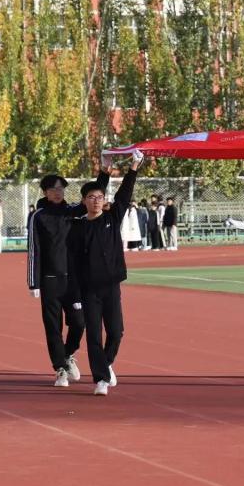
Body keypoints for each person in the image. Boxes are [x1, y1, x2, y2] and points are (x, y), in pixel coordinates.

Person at [28, 164, 111, 388]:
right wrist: (33, 282)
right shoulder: (38, 216)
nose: (58, 192)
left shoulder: (72, 211)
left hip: (74, 280)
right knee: (53, 327)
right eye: (53, 189)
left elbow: (94, 194)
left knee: (79, 322)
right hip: (49, 280)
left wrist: (104, 174)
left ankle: (67, 354)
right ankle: (60, 369)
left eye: (61, 189)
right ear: (45, 192)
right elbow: (34, 250)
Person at [69, 150, 144, 396]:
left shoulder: (113, 217)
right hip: (89, 290)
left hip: (111, 286)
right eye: (91, 197)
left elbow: (124, 194)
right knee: (94, 335)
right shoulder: (77, 227)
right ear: (84, 201)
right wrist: (76, 296)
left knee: (116, 331)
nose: (96, 201)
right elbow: (74, 264)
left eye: (100, 197)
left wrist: (134, 166)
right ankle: (100, 379)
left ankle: (106, 362)